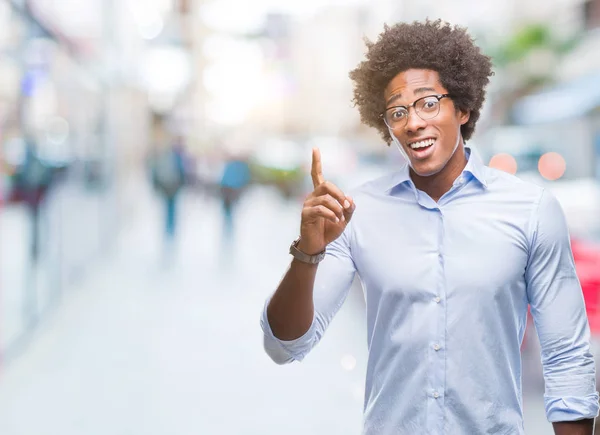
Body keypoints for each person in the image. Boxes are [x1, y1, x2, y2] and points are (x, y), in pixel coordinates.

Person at [260, 19, 599, 435]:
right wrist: (307, 254)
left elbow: (566, 355)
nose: (413, 122)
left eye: (427, 103)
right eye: (397, 111)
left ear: (463, 108)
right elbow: (285, 346)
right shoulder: (356, 213)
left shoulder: (530, 210)